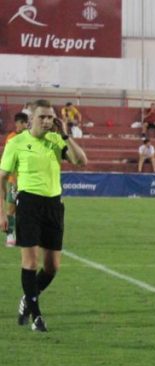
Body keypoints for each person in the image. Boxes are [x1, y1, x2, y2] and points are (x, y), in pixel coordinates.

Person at [0, 99, 89, 333]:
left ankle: (28, 298)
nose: (47, 121)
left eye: (51, 117)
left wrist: (66, 135)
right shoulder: (16, 143)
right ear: (32, 119)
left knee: (52, 267)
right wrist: (3, 213)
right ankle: (36, 316)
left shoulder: (56, 140)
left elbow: (81, 160)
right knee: (30, 262)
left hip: (53, 205)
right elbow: (2, 179)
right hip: (28, 203)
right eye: (43, 117)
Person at [4, 112, 29, 248]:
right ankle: (9, 235)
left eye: (25, 123)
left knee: (26, 210)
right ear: (17, 123)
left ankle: (23, 235)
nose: (23, 126)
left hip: (28, 181)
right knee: (11, 208)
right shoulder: (11, 138)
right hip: (15, 180)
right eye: (21, 123)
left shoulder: (30, 137)